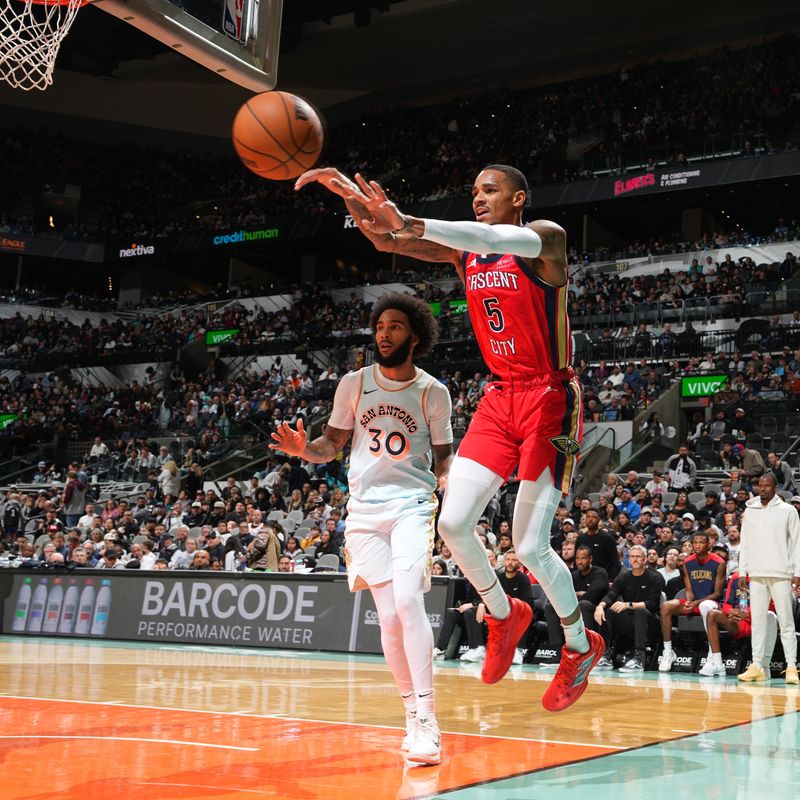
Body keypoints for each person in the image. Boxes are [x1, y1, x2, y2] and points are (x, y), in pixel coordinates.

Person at [296, 164, 603, 714]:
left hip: (551, 399)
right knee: (453, 523)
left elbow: (482, 234)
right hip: (499, 396)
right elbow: (387, 238)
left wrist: (412, 219)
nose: (479, 199)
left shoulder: (546, 242)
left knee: (530, 544)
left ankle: (580, 646)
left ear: (519, 197)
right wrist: (350, 197)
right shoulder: (466, 255)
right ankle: (505, 614)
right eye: (474, 192)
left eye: (490, 191)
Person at [269, 292, 453, 766]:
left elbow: (444, 455)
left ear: (414, 336)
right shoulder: (353, 384)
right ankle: (411, 715)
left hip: (412, 504)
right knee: (389, 618)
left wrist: (456, 485)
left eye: (393, 327)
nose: (383, 334)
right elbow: (330, 444)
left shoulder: (434, 391)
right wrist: (301, 450)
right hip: (365, 513)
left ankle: (430, 721)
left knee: (411, 602)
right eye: (378, 327)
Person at [737, 474, 800, 683]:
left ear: (776, 488)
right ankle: (757, 665)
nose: (762, 489)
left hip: (781, 573)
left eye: (767, 486)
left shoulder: (788, 511)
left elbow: (797, 543)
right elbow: (744, 543)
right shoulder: (750, 510)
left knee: (786, 621)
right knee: (758, 622)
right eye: (760, 485)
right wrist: (742, 571)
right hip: (755, 573)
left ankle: (791, 667)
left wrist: (797, 572)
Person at [658, 532, 726, 671]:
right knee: (666, 606)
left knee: (706, 606)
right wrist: (689, 601)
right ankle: (668, 652)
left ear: (708, 544)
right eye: (695, 542)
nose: (698, 545)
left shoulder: (719, 563)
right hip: (695, 602)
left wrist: (696, 603)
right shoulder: (687, 562)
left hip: (712, 603)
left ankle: (712, 655)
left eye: (702, 542)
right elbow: (689, 589)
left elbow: (717, 593)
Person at [594, 545, 664, 672]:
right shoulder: (624, 577)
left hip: (651, 622)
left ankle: (638, 659)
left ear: (645, 559)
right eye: (632, 557)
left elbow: (652, 604)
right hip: (630, 623)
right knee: (608, 612)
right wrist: (600, 606)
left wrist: (627, 605)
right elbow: (612, 594)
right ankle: (606, 656)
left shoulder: (656, 577)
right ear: (629, 559)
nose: (635, 559)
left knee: (640, 611)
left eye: (638, 557)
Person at [699, 572, 779, 677]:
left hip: (759, 622)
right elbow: (727, 603)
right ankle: (717, 663)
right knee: (712, 614)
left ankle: (764, 666)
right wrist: (731, 612)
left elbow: (772, 606)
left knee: (771, 616)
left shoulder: (767, 577)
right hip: (737, 621)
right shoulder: (737, 577)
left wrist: (747, 614)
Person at [543, 545, 607, 664]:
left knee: (584, 604)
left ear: (590, 559)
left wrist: (575, 595)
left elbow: (592, 595)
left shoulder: (600, 573)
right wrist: (578, 594)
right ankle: (557, 652)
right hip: (576, 609)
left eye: (583, 558)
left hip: (595, 611)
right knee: (550, 607)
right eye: (577, 558)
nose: (580, 561)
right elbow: (564, 593)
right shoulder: (574, 575)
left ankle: (589, 652)